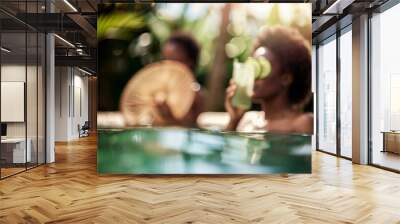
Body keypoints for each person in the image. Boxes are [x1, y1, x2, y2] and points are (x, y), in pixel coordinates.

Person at [225, 26, 313, 134]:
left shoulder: (302, 123)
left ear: (286, 78)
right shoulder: (248, 120)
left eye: (261, 68)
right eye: (253, 66)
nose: (254, 76)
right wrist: (234, 120)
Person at [155, 32, 204, 127]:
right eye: (165, 59)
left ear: (190, 62)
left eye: (173, 60)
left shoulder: (195, 94)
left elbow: (188, 127)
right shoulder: (160, 90)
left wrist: (168, 117)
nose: (167, 65)